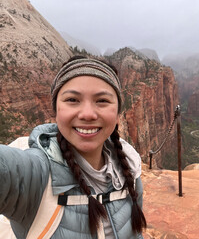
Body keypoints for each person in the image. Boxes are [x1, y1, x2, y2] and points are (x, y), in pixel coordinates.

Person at [0, 56, 146, 238]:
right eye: (72, 99)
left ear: (118, 114)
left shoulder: (129, 169)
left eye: (102, 100)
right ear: (55, 110)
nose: (87, 114)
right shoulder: (36, 176)